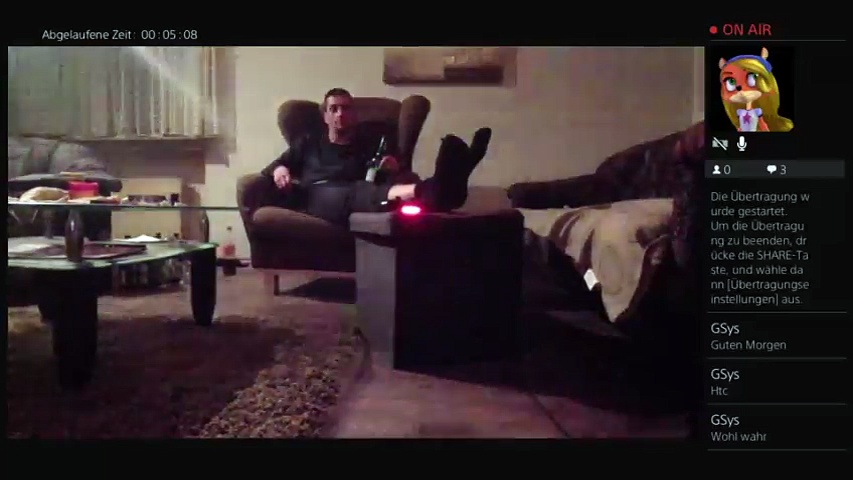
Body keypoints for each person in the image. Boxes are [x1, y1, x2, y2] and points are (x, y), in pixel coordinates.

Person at [261, 88, 491, 226]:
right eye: (334, 109)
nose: (340, 114)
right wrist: (280, 169)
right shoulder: (309, 142)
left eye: (346, 108)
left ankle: (445, 185)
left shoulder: (369, 142)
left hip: (363, 193)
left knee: (366, 190)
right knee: (349, 192)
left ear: (354, 114)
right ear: (325, 116)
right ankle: (444, 183)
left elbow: (383, 174)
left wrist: (392, 167)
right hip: (318, 194)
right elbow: (274, 166)